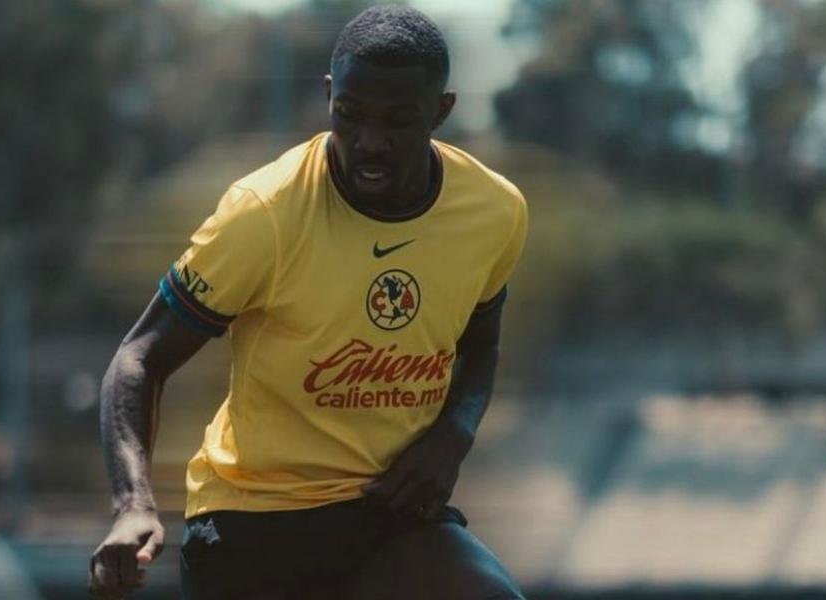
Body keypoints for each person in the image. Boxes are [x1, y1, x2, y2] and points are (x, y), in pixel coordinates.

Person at [88, 5, 528, 599]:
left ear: (441, 111)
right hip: (253, 522)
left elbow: (482, 344)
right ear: (329, 95)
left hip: (389, 516)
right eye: (350, 114)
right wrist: (133, 504)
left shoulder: (494, 212)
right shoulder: (265, 213)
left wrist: (453, 437)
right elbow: (139, 357)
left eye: (398, 120)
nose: (370, 142)